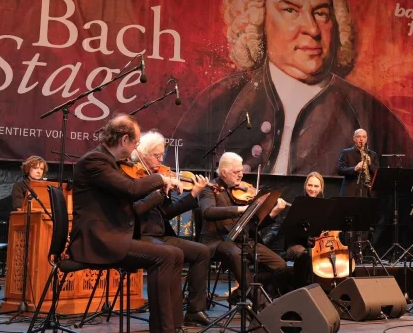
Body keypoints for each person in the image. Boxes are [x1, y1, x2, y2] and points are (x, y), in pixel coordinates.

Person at [171, 0, 413, 178]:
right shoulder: (220, 101)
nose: (312, 29)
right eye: (290, 10)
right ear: (259, 18)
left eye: (321, 13)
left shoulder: (373, 116)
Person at [67, 114, 184, 333]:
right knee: (165, 256)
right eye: (135, 143)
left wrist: (159, 193)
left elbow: (132, 205)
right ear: (124, 140)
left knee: (176, 254)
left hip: (113, 236)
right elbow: (131, 190)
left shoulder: (110, 163)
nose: (135, 148)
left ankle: (175, 326)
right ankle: (163, 329)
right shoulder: (95, 161)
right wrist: (162, 179)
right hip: (98, 241)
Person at [131, 130, 212, 327]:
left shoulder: (159, 176)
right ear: (142, 154)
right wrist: (158, 189)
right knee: (171, 254)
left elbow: (167, 212)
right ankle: (167, 322)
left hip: (160, 234)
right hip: (140, 235)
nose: (161, 160)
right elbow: (135, 209)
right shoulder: (134, 177)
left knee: (202, 251)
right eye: (156, 155)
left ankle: (194, 310)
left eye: (162, 155)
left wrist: (193, 194)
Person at [198, 152, 289, 303]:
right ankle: (262, 305)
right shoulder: (210, 189)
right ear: (224, 172)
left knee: (280, 266)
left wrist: (273, 213)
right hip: (218, 241)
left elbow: (254, 225)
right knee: (236, 254)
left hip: (244, 240)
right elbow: (208, 212)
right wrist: (239, 209)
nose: (241, 175)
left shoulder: (243, 191)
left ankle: (240, 293)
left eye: (241, 171)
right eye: (236, 172)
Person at [262, 172, 326, 291]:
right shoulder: (297, 203)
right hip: (295, 245)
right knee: (305, 254)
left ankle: (324, 288)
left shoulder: (325, 206)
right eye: (310, 185)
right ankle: (299, 288)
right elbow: (288, 231)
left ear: (321, 188)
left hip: (317, 245)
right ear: (305, 186)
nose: (312, 189)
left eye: (316, 186)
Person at [338, 129, 379, 197]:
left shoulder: (373, 154)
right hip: (351, 191)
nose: (361, 139)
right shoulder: (346, 152)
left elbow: (377, 173)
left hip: (368, 192)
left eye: (364, 137)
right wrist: (355, 168)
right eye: (358, 136)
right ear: (354, 138)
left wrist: (370, 164)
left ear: (366, 139)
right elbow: (340, 170)